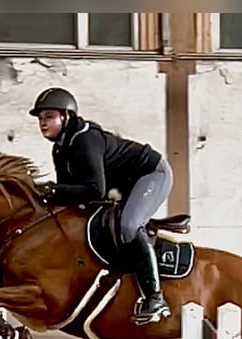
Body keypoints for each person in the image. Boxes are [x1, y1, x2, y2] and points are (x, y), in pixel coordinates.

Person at [29, 86, 173, 325]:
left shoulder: (84, 140)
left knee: (129, 225)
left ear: (66, 117)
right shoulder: (60, 148)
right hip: (124, 183)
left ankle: (155, 299)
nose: (43, 123)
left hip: (151, 174)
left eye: (50, 117)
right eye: (41, 119)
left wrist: (52, 190)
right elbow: (72, 196)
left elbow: (95, 190)